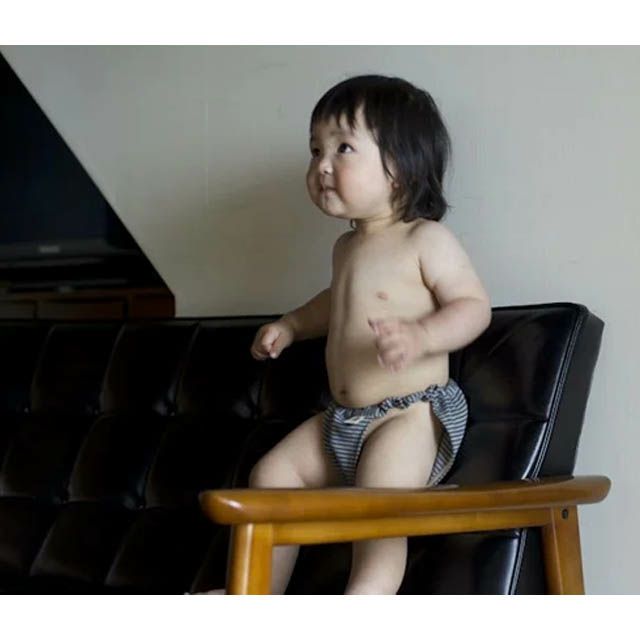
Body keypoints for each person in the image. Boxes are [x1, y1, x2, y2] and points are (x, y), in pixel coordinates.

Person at [208, 74, 491, 595]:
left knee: (378, 508)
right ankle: (254, 595)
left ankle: (364, 603)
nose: (321, 165)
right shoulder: (347, 247)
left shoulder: (425, 239)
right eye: (315, 149)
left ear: (400, 167)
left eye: (342, 148)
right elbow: (335, 303)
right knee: (271, 476)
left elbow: (474, 308)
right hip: (343, 420)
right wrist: (292, 325)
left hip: (408, 415)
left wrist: (423, 336)